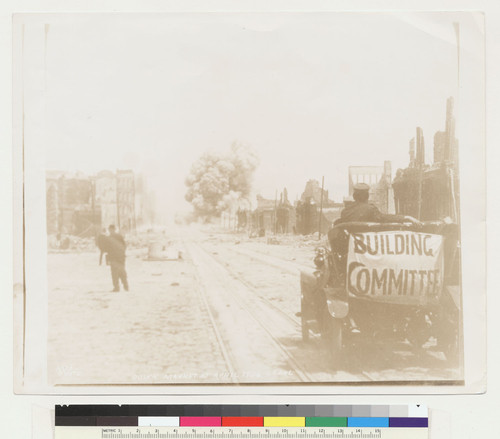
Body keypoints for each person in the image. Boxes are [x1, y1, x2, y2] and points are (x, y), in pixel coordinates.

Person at [335, 183, 421, 225]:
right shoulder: (370, 209)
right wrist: (406, 217)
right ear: (367, 196)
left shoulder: (345, 212)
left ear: (354, 196)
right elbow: (386, 218)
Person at [106, 225, 129, 292]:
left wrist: (108, 258)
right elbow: (124, 246)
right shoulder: (119, 236)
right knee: (122, 271)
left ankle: (117, 287)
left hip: (114, 257)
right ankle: (126, 286)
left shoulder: (109, 238)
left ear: (111, 229)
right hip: (121, 257)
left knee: (114, 273)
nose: (110, 231)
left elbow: (107, 249)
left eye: (110, 229)